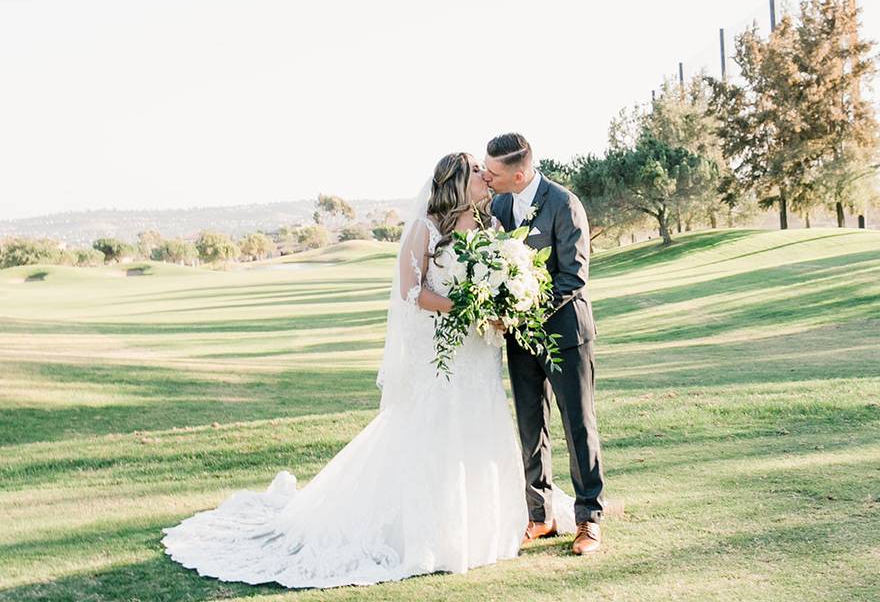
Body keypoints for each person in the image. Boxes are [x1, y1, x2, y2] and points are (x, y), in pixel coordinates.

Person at [161, 152, 575, 590]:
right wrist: (468, 306)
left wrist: (497, 308)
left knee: (479, 428)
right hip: (445, 352)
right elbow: (411, 292)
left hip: (477, 351)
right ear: (456, 181)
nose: (484, 175)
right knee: (433, 430)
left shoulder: (492, 228)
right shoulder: (426, 228)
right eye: (475, 169)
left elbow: (497, 282)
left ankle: (484, 524)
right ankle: (431, 533)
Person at [484, 132, 606, 556]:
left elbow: (573, 276)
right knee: (530, 427)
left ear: (518, 174)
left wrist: (521, 310)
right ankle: (540, 516)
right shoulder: (498, 204)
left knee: (578, 425)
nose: (486, 176)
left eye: (493, 172)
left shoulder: (564, 204)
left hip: (567, 334)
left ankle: (589, 518)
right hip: (520, 339)